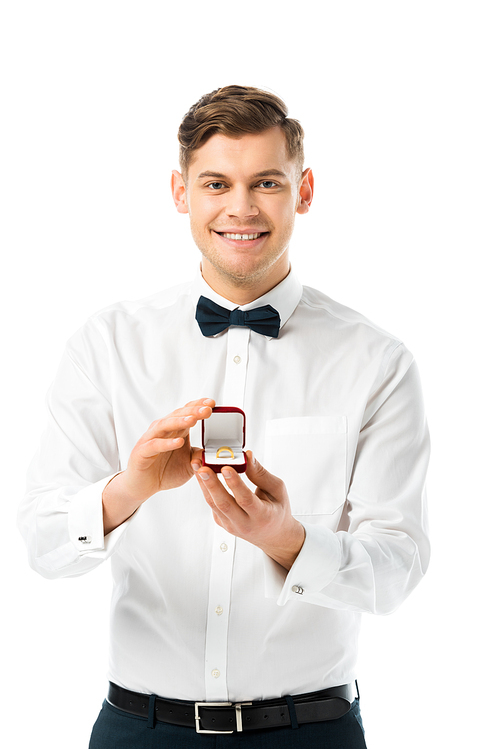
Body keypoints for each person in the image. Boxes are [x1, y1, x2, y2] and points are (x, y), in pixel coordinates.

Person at [18, 85, 430, 748]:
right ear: (181, 192)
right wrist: (132, 488)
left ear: (305, 189)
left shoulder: (375, 360)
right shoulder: (108, 344)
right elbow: (42, 544)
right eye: (216, 183)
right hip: (139, 728)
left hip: (311, 729)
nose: (240, 208)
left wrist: (287, 540)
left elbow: (398, 567)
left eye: (266, 182)